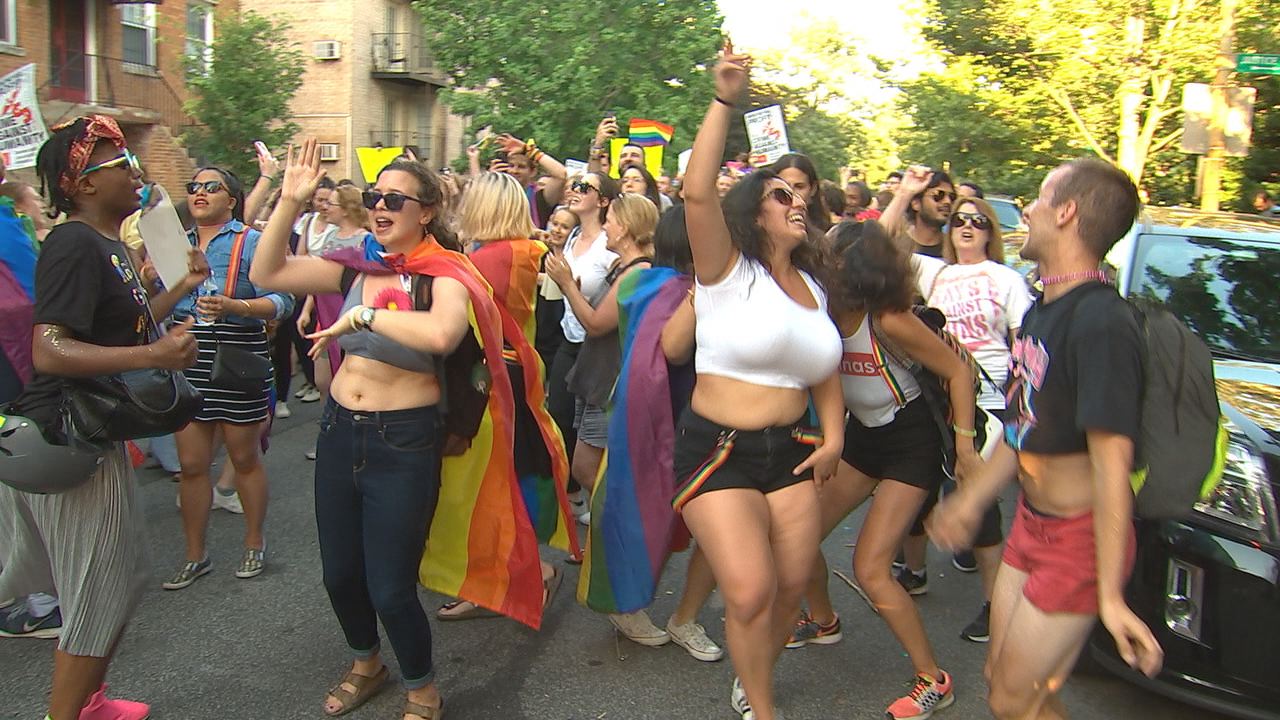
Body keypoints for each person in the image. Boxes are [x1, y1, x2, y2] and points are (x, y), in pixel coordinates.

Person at [929, 158, 1164, 719]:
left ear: (1067, 211)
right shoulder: (1043, 308)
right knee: (1008, 685)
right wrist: (972, 499)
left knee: (1014, 698)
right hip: (1032, 528)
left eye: (1038, 199)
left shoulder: (1103, 323)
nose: (1026, 211)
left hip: (1078, 542)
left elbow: (1113, 465)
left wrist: (1109, 597)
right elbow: (1021, 426)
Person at [251, 142, 472, 720]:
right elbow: (266, 272)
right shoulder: (358, 261)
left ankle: (423, 689)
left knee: (392, 585)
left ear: (425, 210)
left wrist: (368, 315)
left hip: (403, 440)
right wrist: (289, 201)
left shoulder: (443, 272)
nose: (380, 206)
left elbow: (444, 334)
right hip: (339, 429)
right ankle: (366, 663)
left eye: (394, 199)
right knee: (339, 573)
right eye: (375, 196)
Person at [0, 115, 205, 720]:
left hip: (93, 433)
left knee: (119, 579)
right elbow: (49, 348)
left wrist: (177, 290)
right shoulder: (72, 242)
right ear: (82, 184)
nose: (136, 172)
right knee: (97, 590)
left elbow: (128, 328)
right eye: (119, 164)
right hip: (68, 437)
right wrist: (156, 354)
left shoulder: (109, 244)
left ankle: (91, 702)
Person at [678, 45, 845, 720]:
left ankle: (755, 682)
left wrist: (833, 438)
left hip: (796, 449)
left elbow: (824, 369)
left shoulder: (811, 285)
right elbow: (695, 191)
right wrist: (727, 100)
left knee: (791, 585)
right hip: (719, 449)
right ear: (755, 210)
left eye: (800, 192)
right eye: (781, 193)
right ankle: (766, 710)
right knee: (748, 590)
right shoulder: (725, 270)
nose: (796, 200)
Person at [788, 220, 977, 719]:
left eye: (827, 256)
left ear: (852, 270)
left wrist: (966, 446)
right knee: (798, 535)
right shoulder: (819, 314)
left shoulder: (888, 319)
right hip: (863, 437)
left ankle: (933, 680)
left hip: (910, 442)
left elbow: (959, 371)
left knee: (871, 569)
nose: (816, 262)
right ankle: (824, 620)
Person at [436, 171, 576, 620]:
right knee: (496, 481)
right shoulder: (529, 250)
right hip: (514, 376)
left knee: (482, 483)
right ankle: (499, 579)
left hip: (490, 380)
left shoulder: (489, 258)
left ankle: (508, 579)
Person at [165, 166, 294, 591]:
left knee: (243, 459)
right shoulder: (174, 243)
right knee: (191, 465)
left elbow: (284, 299)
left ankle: (254, 541)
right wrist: (153, 284)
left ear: (232, 199)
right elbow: (156, 308)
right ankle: (193, 554)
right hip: (189, 361)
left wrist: (237, 307)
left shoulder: (251, 241)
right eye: (193, 187)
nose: (199, 193)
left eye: (210, 187)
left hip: (237, 360)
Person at [546, 193, 669, 640]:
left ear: (631, 228)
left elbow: (597, 324)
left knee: (606, 488)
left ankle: (622, 577)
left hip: (612, 388)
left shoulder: (637, 273)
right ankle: (609, 555)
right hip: (597, 382)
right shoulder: (624, 268)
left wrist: (566, 285)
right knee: (584, 470)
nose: (607, 226)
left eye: (613, 219)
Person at [925, 196, 1032, 642]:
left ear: (990, 230)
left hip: (987, 401)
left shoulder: (1007, 280)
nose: (966, 226)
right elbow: (884, 238)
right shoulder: (935, 274)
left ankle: (994, 606)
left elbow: (1024, 350)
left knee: (979, 501)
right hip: (936, 400)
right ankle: (918, 566)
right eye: (958, 220)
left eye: (976, 220)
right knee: (940, 489)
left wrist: (1015, 408)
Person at [545, 172, 621, 523]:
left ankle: (602, 506)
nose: (573, 191)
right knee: (559, 420)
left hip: (598, 347)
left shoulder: (611, 244)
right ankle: (577, 498)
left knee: (590, 432)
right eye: (573, 186)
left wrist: (569, 286)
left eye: (583, 188)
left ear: (603, 201)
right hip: (569, 339)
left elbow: (610, 303)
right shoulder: (572, 234)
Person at [880, 166, 955, 259]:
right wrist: (905, 193)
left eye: (952, 197)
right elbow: (875, 239)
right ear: (916, 204)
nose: (947, 202)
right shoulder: (896, 245)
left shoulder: (955, 248)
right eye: (939, 195)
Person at [769, 153, 830, 231]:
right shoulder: (758, 236)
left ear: (813, 189)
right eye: (784, 186)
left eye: (799, 187)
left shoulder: (830, 236)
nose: (792, 194)